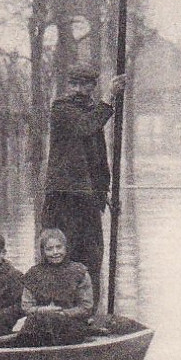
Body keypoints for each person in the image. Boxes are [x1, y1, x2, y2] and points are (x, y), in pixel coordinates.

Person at [41, 63, 127, 296]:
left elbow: (97, 160)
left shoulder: (92, 111)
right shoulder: (61, 108)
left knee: (91, 258)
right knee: (61, 255)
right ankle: (58, 311)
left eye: (85, 85)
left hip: (87, 199)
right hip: (63, 198)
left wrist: (104, 193)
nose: (79, 89)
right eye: (75, 84)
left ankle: (87, 314)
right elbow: (85, 127)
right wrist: (110, 97)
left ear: (91, 87)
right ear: (69, 86)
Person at [14, 228, 94, 347]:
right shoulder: (34, 274)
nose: (55, 252)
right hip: (40, 323)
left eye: (59, 247)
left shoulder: (79, 272)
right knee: (33, 328)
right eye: (49, 249)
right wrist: (43, 310)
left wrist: (63, 313)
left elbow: (86, 307)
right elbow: (27, 307)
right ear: (43, 251)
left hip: (71, 324)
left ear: (65, 248)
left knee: (53, 323)